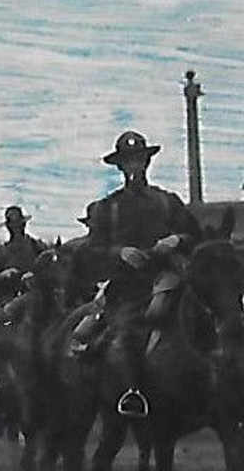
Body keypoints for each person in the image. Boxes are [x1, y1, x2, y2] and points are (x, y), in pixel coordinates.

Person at [65, 130, 203, 419]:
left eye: (139, 159)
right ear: (120, 166)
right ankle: (133, 394)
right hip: (128, 287)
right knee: (124, 335)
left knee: (205, 320)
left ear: (147, 162)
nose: (135, 166)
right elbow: (92, 251)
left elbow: (195, 234)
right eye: (128, 161)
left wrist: (177, 240)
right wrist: (120, 253)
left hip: (168, 278)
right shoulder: (108, 208)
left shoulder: (168, 201)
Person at [0, 205, 47, 298]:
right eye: (13, 226)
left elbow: (50, 265)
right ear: (8, 228)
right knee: (10, 309)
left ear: (24, 225)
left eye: (19, 225)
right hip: (11, 294)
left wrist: (35, 275)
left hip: (36, 292)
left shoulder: (35, 244)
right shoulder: (3, 250)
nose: (16, 228)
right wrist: (5, 274)